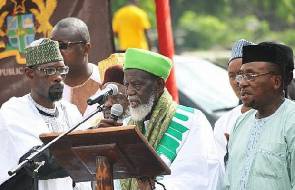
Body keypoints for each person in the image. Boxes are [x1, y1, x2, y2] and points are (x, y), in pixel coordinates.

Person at [112, 48, 224, 190]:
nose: (129, 92)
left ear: (159, 85)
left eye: (137, 85)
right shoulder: (128, 125)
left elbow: (197, 177)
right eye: (127, 84)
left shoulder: (191, 121)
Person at [0, 38, 91, 190]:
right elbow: (39, 163)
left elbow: (82, 176)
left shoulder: (71, 112)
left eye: (61, 70)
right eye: (49, 70)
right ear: (29, 73)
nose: (58, 77)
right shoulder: (13, 111)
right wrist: (87, 145)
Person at [224, 42, 295, 189]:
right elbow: (229, 182)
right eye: (241, 76)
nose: (241, 83)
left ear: (276, 81)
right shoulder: (241, 122)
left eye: (250, 76)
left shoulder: (291, 121)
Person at [214, 39, 253, 168]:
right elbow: (218, 171)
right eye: (232, 75)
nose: (238, 81)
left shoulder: (284, 117)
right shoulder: (224, 123)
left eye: (244, 74)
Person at [51, 17, 101, 115]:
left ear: (86, 49)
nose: (56, 52)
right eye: (52, 46)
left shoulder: (106, 80)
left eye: (63, 46)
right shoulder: (47, 88)